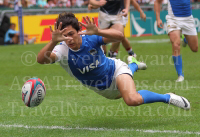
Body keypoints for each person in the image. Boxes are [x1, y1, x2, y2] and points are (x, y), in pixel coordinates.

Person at [37, 12, 190, 110]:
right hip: (106, 90)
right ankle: (134, 64)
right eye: (64, 36)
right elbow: (41, 60)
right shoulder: (62, 50)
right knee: (123, 93)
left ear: (79, 31)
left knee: (131, 99)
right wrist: (52, 42)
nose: (68, 39)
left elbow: (119, 36)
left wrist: (98, 31)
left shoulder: (90, 38)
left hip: (115, 69)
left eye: (71, 34)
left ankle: (168, 97)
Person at [154, 0, 198, 82]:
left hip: (188, 19)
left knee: (195, 48)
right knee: (176, 44)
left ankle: (185, 39)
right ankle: (180, 75)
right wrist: (158, 19)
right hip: (173, 19)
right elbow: (157, 2)